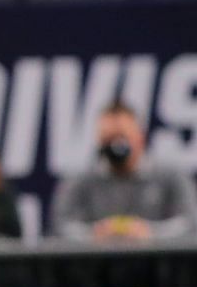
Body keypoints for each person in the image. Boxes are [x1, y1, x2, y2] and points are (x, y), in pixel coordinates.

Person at [51, 102, 197, 241]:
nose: (115, 145)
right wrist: (93, 235)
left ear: (140, 137)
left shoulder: (171, 176)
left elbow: (190, 223)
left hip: (157, 264)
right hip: (98, 264)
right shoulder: (80, 180)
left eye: (122, 137)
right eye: (108, 138)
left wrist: (150, 233)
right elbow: (59, 226)